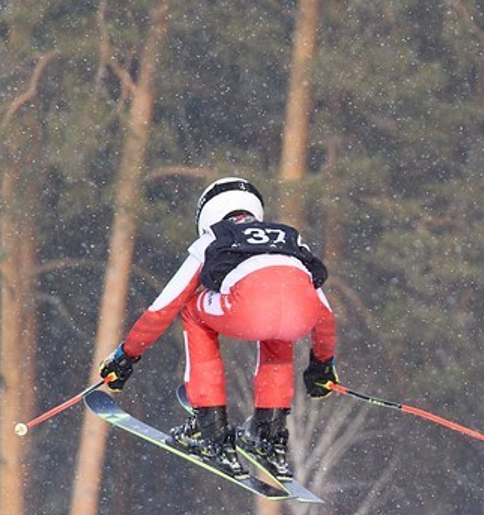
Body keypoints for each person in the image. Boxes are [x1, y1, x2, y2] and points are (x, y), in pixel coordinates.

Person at [97, 176, 337, 481]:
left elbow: (164, 306)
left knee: (192, 309)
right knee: (278, 326)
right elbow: (325, 314)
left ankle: (210, 429)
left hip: (249, 307)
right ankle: (270, 432)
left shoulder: (215, 238)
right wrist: (322, 365)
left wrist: (126, 356)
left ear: (207, 213)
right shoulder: (289, 237)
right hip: (301, 313)